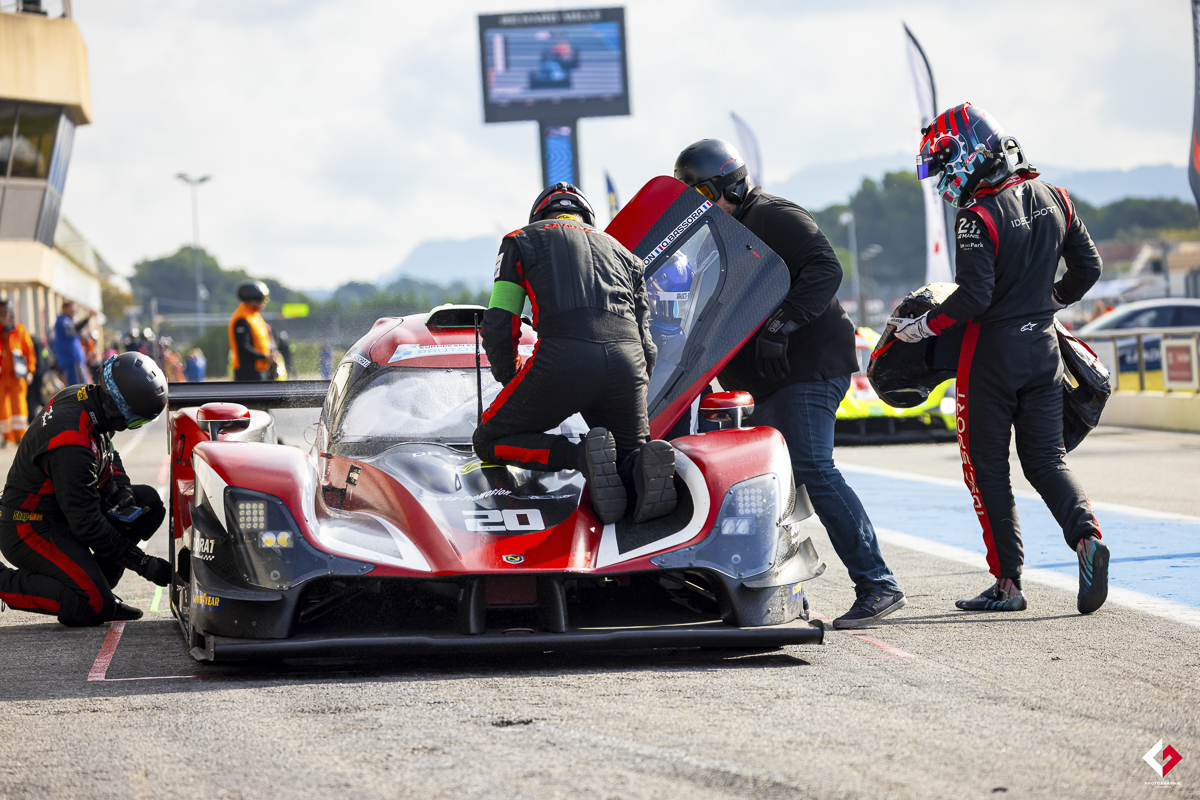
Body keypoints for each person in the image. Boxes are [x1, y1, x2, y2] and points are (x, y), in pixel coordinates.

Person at [674, 139, 906, 629]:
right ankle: (777, 585)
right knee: (774, 483)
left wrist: (782, 327)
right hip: (772, 380)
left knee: (814, 469)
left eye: (697, 193)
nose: (693, 205)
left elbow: (826, 268)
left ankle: (877, 583)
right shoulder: (722, 234)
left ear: (719, 185)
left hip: (810, 367)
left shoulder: (772, 215)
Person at [890, 103, 1107, 615]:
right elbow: (1090, 268)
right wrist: (1048, 302)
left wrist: (921, 327)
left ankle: (1007, 585)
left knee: (986, 468)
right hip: (1044, 350)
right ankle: (1087, 538)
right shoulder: (1057, 197)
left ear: (968, 154)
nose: (943, 179)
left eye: (944, 165)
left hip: (990, 358)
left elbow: (974, 299)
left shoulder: (977, 215)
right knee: (1047, 461)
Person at [473, 182, 676, 525]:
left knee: (489, 439)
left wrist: (511, 379)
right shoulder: (626, 255)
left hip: (563, 358)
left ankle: (580, 455)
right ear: (588, 220)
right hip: (628, 363)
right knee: (628, 452)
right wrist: (635, 389)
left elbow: (498, 325)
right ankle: (640, 461)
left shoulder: (520, 239)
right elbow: (647, 344)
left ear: (539, 216)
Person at [0, 352, 172, 626]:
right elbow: (87, 525)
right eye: (135, 421)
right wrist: (142, 563)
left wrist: (122, 490)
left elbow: (108, 452)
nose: (131, 427)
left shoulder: (89, 398)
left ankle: (95, 586)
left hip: (63, 509)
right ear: (119, 410)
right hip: (30, 526)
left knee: (147, 504)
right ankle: (6, 583)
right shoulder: (72, 444)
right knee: (91, 606)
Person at [0, 300, 37, 446]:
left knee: (19, 407)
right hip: (2, 377)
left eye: (5, 314)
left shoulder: (19, 331)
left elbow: (29, 353)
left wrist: (30, 371)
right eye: (1, 315)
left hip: (17, 377)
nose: (4, 318)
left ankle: (20, 437)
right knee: (2, 408)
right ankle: (7, 437)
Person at [228, 281, 275, 381]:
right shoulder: (242, 319)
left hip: (260, 369)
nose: (264, 302)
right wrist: (265, 357)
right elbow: (243, 348)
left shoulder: (255, 316)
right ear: (252, 300)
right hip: (248, 373)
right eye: (262, 299)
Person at [51, 300, 89, 386]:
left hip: (71, 359)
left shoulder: (67, 320)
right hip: (71, 358)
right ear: (64, 308)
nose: (74, 311)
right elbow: (75, 329)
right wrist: (88, 318)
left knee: (78, 385)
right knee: (79, 387)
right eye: (72, 308)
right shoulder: (63, 321)